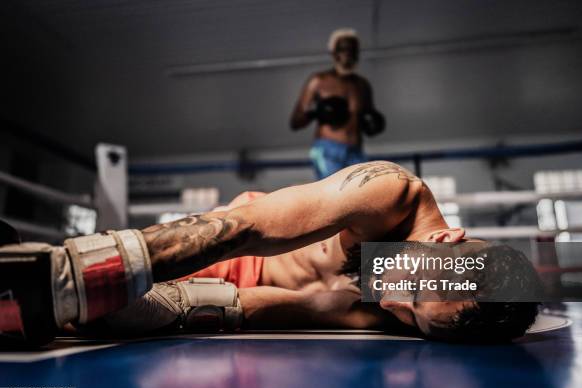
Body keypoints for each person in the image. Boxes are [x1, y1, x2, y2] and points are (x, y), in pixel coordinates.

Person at [0, 161, 538, 346]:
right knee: (59, 280)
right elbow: (245, 228)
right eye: (417, 288)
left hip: (221, 287)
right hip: (215, 246)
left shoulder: (394, 313)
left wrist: (180, 307)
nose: (395, 299)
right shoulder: (392, 193)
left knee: (61, 317)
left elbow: (287, 307)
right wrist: (86, 273)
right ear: (446, 241)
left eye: (414, 315)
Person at [290, 28, 386, 180]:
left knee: (361, 197)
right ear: (334, 53)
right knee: (334, 197)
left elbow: (368, 120)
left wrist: (373, 123)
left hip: (355, 151)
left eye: (352, 50)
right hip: (328, 149)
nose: (348, 54)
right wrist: (317, 112)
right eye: (343, 49)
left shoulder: (362, 85)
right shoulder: (318, 81)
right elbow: (295, 122)